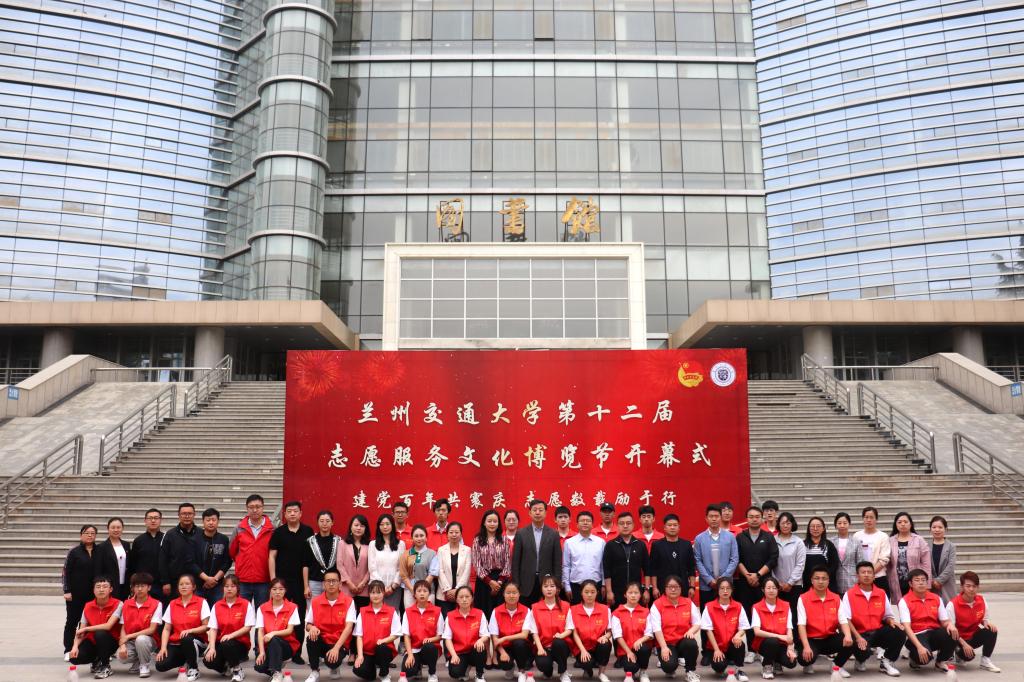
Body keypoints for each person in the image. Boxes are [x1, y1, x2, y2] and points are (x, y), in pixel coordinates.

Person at [836, 562, 904, 677]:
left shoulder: (881, 593)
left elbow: (887, 616)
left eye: (869, 572)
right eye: (863, 572)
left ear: (874, 576)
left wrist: (891, 621)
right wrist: (858, 637)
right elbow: (846, 619)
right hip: (859, 633)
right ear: (857, 576)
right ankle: (858, 660)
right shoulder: (849, 594)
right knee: (863, 652)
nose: (866, 575)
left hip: (877, 632)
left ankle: (886, 662)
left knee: (899, 632)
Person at [269, 500, 315, 664]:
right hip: (282, 582)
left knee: (299, 617)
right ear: (285, 514)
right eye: (289, 511)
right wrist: (273, 580)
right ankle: (279, 650)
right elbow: (272, 556)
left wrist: (306, 585)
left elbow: (308, 560)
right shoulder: (278, 532)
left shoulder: (308, 531)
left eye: (295, 511)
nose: (292, 513)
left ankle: (297, 653)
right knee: (281, 616)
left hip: (300, 582)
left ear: (300, 513)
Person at [694, 503, 739, 665]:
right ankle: (707, 652)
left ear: (721, 517)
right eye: (711, 516)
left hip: (725, 586)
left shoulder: (730, 537)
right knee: (707, 618)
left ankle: (730, 651)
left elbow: (734, 559)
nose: (714, 519)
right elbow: (698, 560)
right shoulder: (699, 538)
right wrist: (709, 579)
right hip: (707, 585)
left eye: (716, 516)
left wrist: (723, 580)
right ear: (706, 518)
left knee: (728, 618)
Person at [897, 568, 957, 671]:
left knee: (952, 632)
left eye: (923, 580)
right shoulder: (904, 601)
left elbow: (944, 621)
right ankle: (914, 658)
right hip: (917, 635)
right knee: (924, 660)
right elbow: (906, 627)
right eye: (917, 580)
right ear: (910, 584)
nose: (921, 583)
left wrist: (950, 624)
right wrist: (919, 647)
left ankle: (941, 661)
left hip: (933, 632)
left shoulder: (936, 598)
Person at [305, 567, 358, 682]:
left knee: (332, 662)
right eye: (328, 581)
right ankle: (314, 671)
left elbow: (349, 627)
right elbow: (308, 625)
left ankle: (334, 667)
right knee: (311, 638)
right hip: (323, 640)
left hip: (340, 642)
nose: (331, 584)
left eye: (334, 581)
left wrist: (336, 648)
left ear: (340, 584)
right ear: (323, 584)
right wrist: (312, 627)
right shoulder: (316, 601)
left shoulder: (349, 601)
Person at [795, 566, 849, 675]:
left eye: (824, 578)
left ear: (828, 581)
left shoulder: (835, 598)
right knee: (803, 659)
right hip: (811, 639)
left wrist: (848, 635)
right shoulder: (803, 598)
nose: (820, 581)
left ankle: (836, 665)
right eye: (817, 578)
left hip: (829, 638)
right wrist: (806, 646)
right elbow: (801, 624)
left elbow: (843, 620)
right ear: (812, 580)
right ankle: (808, 664)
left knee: (851, 641)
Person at [155, 574, 210, 680]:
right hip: (177, 642)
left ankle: (194, 668)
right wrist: (163, 648)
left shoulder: (201, 602)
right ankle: (185, 661)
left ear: (194, 587)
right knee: (160, 665)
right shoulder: (173, 603)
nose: (184, 586)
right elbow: (167, 629)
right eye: (181, 584)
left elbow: (206, 626)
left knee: (187, 639)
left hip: (196, 641)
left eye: (187, 584)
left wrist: (190, 631)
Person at [735, 507, 778, 639]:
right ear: (747, 519)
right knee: (747, 613)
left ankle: (764, 644)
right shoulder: (740, 537)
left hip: (764, 583)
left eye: (757, 517)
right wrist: (748, 576)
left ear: (762, 518)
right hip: (745, 583)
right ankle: (751, 647)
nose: (754, 519)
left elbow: (773, 558)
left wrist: (758, 575)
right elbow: (736, 558)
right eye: (751, 517)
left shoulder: (769, 537)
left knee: (764, 613)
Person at [203, 574, 255, 682]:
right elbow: (213, 629)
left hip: (240, 644)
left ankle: (237, 670)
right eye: (226, 586)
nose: (229, 589)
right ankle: (226, 667)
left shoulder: (245, 604)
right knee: (208, 661)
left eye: (232, 586)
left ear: (238, 588)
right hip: (222, 643)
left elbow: (247, 627)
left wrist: (231, 635)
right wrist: (212, 648)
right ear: (223, 588)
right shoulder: (217, 605)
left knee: (227, 643)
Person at [70, 577, 123, 679]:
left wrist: (86, 629)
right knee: (74, 657)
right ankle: (96, 660)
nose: (101, 589)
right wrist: (75, 646)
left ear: (111, 589)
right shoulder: (88, 606)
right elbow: (81, 631)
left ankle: (105, 666)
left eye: (105, 587)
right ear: (93, 590)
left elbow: (108, 626)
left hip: (111, 641)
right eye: (98, 587)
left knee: (100, 633)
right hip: (93, 641)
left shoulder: (118, 604)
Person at [512, 500, 563, 606]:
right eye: (534, 510)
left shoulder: (554, 534)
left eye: (540, 510)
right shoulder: (521, 534)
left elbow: (557, 562)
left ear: (546, 513)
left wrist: (557, 584)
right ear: (530, 513)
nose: (537, 512)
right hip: (525, 583)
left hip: (547, 582)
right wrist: (516, 584)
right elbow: (515, 562)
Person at [650, 575, 701, 681]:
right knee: (669, 666)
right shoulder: (657, 604)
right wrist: (663, 647)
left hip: (683, 641)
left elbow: (697, 622)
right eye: (670, 587)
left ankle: (690, 672)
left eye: (676, 587)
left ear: (681, 588)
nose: (673, 589)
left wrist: (691, 631)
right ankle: (671, 665)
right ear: (665, 588)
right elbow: (656, 629)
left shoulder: (688, 602)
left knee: (691, 643)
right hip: (666, 643)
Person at [948, 571, 1000, 673]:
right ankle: (957, 652)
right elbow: (951, 629)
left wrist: (987, 624)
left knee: (991, 630)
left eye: (974, 586)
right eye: (968, 586)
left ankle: (985, 660)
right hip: (957, 638)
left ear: (978, 587)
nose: (971, 589)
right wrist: (964, 645)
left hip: (972, 636)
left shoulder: (981, 600)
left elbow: (984, 619)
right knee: (968, 656)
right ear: (962, 587)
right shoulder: (952, 604)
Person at [229, 493, 275, 606]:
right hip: (243, 580)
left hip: (264, 579)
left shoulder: (272, 529)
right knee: (242, 612)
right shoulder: (239, 528)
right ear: (247, 508)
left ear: (263, 508)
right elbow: (232, 551)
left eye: (258, 507)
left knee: (262, 612)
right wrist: (242, 562)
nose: (255, 510)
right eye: (251, 507)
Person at [353, 580, 402, 682]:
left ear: (383, 593)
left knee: (381, 648)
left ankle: (384, 674)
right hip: (367, 652)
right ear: (369, 594)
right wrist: (360, 655)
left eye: (379, 592)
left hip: (384, 650)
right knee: (359, 670)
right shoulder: (363, 611)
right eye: (373, 592)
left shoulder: (391, 611)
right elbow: (359, 636)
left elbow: (396, 633)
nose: (376, 596)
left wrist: (384, 640)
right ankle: (371, 671)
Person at [254, 577, 302, 681]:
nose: (277, 592)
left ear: (285, 591)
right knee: (259, 667)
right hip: (269, 646)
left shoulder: (292, 607)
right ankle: (277, 665)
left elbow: (289, 630)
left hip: (287, 646)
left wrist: (273, 633)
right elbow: (260, 631)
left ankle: (277, 673)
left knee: (274, 639)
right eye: (274, 589)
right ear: (270, 591)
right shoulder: (262, 608)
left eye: (281, 589)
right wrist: (261, 652)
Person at [701, 577, 749, 680]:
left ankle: (738, 670)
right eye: (722, 588)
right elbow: (708, 630)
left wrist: (738, 635)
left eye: (728, 588)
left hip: (731, 645)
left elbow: (744, 626)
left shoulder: (738, 606)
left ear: (732, 590)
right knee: (719, 667)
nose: (725, 591)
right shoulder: (709, 607)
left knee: (740, 644)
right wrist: (716, 650)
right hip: (716, 647)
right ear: (717, 590)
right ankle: (721, 664)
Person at [750, 577, 796, 680]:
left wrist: (790, 646)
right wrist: (779, 636)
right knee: (773, 641)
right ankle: (767, 665)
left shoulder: (786, 605)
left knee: (791, 663)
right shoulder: (757, 607)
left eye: (774, 588)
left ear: (778, 590)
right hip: (764, 644)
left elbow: (789, 628)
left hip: (782, 643)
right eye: (768, 588)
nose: (771, 590)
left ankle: (777, 662)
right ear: (763, 590)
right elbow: (757, 632)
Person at [118, 572, 162, 679]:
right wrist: (122, 645)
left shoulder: (156, 604)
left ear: (149, 588)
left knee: (141, 639)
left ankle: (144, 665)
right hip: (131, 641)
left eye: (143, 586)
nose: (140, 589)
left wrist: (128, 636)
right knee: (121, 657)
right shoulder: (126, 603)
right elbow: (123, 626)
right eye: (137, 586)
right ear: (133, 588)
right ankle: (138, 661)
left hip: (149, 640)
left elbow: (152, 629)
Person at [530, 575, 573, 682]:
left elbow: (570, 628)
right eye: (545, 586)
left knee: (558, 642)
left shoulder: (566, 606)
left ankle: (563, 672)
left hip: (561, 645)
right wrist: (540, 648)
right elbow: (534, 632)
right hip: (544, 646)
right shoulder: (535, 607)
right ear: (541, 589)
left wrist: (561, 635)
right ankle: (548, 670)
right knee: (543, 664)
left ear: (557, 589)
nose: (549, 589)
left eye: (552, 586)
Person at [64, 524, 98, 658]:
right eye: (87, 533)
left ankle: (87, 648)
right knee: (72, 621)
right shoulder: (74, 552)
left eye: (92, 533)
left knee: (91, 621)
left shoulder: (99, 551)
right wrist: (67, 590)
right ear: (81, 535)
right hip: (75, 594)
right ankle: (68, 649)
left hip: (94, 594)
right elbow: (66, 572)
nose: (90, 535)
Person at [489, 582, 534, 682]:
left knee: (519, 643)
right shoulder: (496, 611)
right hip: (504, 646)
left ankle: (522, 671)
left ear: (519, 594)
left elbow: (524, 635)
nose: (511, 595)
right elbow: (495, 638)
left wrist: (505, 638)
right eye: (508, 593)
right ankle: (510, 668)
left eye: (514, 592)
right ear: (503, 594)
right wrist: (502, 652)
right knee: (505, 664)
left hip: (521, 646)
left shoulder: (526, 610)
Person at [443, 585, 489, 681]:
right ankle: (465, 668)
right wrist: (453, 655)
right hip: (459, 652)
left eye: (467, 596)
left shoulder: (480, 613)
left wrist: (481, 640)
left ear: (472, 598)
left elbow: (485, 634)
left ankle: (479, 674)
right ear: (456, 600)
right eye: (461, 597)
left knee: (480, 647)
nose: (464, 599)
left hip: (474, 650)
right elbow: (447, 638)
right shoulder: (450, 616)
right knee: (455, 673)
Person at [603, 512, 648, 608]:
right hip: (616, 592)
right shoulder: (610, 545)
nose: (625, 526)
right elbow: (607, 570)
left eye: (628, 523)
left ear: (633, 525)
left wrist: (647, 590)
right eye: (622, 523)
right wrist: (609, 591)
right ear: (617, 526)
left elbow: (647, 570)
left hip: (636, 592)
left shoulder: (640, 545)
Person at [472, 509, 512, 617]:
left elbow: (508, 562)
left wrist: (499, 583)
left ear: (498, 524)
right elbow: (476, 563)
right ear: (484, 523)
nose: (492, 524)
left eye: (495, 521)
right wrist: (489, 582)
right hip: (483, 581)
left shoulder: (504, 540)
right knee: (484, 612)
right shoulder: (477, 540)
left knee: (499, 612)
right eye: (489, 521)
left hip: (500, 580)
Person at [570, 580, 613, 682]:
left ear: (597, 593)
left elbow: (610, 630)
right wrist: (583, 650)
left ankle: (602, 673)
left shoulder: (605, 609)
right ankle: (587, 669)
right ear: (581, 593)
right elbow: (574, 633)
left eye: (592, 592)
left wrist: (605, 636)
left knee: (606, 644)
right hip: (582, 647)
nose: (589, 595)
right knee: (587, 663)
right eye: (586, 592)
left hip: (598, 645)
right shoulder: (573, 610)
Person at [610, 582, 653, 682]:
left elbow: (649, 633)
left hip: (641, 647)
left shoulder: (646, 612)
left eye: (636, 593)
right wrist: (629, 652)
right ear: (625, 595)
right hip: (625, 650)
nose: (633, 595)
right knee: (631, 666)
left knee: (644, 648)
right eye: (630, 593)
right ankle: (629, 674)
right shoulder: (617, 613)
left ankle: (643, 672)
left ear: (640, 595)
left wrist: (640, 640)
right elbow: (617, 635)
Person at [403, 579, 445, 682]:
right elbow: (406, 636)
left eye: (425, 591)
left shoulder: (437, 611)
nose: (422, 594)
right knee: (408, 671)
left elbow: (440, 635)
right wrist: (410, 655)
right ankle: (417, 669)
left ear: (429, 593)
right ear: (414, 594)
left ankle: (432, 673)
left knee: (429, 647)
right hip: (414, 649)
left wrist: (430, 639)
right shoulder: (408, 612)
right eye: (419, 591)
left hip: (431, 649)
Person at [648, 514, 696, 599]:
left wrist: (692, 587)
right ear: (664, 528)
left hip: (683, 588)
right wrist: (655, 588)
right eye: (669, 525)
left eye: (675, 525)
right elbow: (653, 569)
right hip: (662, 588)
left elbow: (691, 568)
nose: (672, 527)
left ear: (679, 527)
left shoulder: (686, 545)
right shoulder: (657, 545)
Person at [562, 511, 606, 605]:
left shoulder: (600, 542)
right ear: (577, 524)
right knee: (576, 612)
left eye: (588, 521)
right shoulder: (569, 543)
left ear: (592, 524)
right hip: (576, 587)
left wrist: (603, 584)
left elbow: (603, 566)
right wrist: (567, 587)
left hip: (596, 586)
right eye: (582, 520)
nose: (585, 523)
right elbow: (566, 566)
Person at [887, 512, 930, 605]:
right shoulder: (890, 541)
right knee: (900, 605)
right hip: (896, 581)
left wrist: (928, 583)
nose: (903, 524)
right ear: (895, 525)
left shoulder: (919, 540)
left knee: (916, 605)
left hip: (915, 580)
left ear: (910, 524)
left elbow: (926, 564)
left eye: (905, 522)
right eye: (899, 522)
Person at [159, 503, 200, 600]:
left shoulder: (201, 533)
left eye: (189, 513)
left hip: (197, 582)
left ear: (194, 515)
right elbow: (163, 559)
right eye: (184, 513)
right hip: (175, 583)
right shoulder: (170, 535)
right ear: (178, 515)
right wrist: (165, 582)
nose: (187, 516)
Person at [433, 522, 473, 616]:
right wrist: (448, 590)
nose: (454, 534)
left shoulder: (467, 550)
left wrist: (457, 590)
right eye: (451, 532)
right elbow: (440, 571)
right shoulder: (441, 550)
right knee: (445, 620)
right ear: (447, 534)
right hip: (444, 594)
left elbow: (467, 571)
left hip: (463, 593)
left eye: (456, 532)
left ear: (461, 534)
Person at [771, 513, 805, 620]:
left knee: (793, 615)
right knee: (777, 615)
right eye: (783, 523)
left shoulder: (798, 542)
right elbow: (769, 563)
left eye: (788, 523)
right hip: (775, 586)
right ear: (778, 524)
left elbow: (800, 564)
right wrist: (776, 582)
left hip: (794, 586)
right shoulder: (772, 540)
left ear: (792, 524)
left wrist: (790, 583)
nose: (785, 526)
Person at [370, 513, 406, 610]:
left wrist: (393, 586)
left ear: (392, 525)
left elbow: (401, 568)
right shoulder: (373, 544)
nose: (385, 527)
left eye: (387, 524)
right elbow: (372, 568)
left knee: (393, 613)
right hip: (376, 589)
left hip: (394, 588)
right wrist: (381, 587)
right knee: (377, 613)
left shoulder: (401, 544)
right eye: (382, 524)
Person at [196, 508, 232, 606]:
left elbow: (227, 561)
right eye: (208, 520)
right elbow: (191, 562)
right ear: (203, 521)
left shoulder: (223, 539)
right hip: (198, 584)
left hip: (217, 585)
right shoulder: (195, 539)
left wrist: (214, 579)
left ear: (218, 521)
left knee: (217, 611)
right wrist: (206, 578)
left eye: (213, 520)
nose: (211, 522)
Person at [305, 510, 343, 599]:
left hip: (333, 582)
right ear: (317, 523)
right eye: (321, 521)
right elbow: (305, 565)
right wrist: (306, 586)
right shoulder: (310, 541)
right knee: (314, 607)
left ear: (332, 523)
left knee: (332, 606)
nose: (324, 524)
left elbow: (341, 564)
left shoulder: (339, 541)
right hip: (314, 582)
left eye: (327, 521)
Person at [129, 510, 164, 603]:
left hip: (162, 585)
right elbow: (133, 564)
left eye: (156, 518)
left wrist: (167, 582)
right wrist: (133, 585)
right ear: (145, 521)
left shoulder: (166, 539)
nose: (153, 520)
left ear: (161, 520)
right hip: (143, 585)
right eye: (150, 518)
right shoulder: (138, 541)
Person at [853, 507, 889, 593]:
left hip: (879, 577)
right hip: (861, 578)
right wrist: (863, 574)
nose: (869, 520)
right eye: (866, 517)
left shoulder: (883, 536)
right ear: (863, 519)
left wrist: (870, 573)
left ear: (876, 519)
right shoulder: (856, 536)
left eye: (871, 517)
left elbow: (884, 559)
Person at [95, 517, 132, 601]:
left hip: (124, 586)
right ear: (108, 529)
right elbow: (98, 569)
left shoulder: (126, 545)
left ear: (122, 529)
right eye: (113, 527)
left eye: (118, 527)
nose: (116, 530)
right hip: (109, 586)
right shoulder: (101, 547)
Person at [340, 514, 372, 609]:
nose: (358, 528)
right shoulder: (342, 543)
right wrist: (349, 583)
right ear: (351, 527)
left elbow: (372, 566)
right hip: (347, 587)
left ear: (365, 529)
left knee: (362, 614)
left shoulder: (370, 545)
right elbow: (339, 565)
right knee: (347, 614)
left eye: (362, 526)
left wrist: (363, 583)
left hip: (364, 589)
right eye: (356, 525)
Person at [401, 525, 437, 608]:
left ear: (426, 537)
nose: (419, 538)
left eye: (421, 535)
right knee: (410, 614)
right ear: (412, 538)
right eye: (416, 536)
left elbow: (432, 573)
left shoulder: (432, 554)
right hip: (410, 591)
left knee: (428, 614)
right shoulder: (405, 554)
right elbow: (403, 575)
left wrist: (422, 590)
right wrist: (413, 590)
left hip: (428, 591)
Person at [802, 517, 838, 592]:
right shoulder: (802, 545)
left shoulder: (829, 545)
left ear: (823, 528)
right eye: (812, 526)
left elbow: (834, 565)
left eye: (818, 526)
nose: (815, 529)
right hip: (807, 584)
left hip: (825, 584)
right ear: (808, 528)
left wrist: (823, 579)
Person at [831, 513, 863, 596]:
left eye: (845, 523)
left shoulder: (856, 542)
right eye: (839, 523)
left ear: (849, 524)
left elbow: (860, 562)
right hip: (835, 580)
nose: (842, 525)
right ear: (836, 525)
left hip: (852, 580)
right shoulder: (830, 542)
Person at [929, 517, 957, 602]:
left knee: (948, 606)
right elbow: (925, 565)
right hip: (931, 584)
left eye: (940, 527)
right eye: (934, 527)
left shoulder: (951, 546)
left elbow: (951, 565)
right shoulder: (926, 546)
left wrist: (939, 580)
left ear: (946, 529)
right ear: (930, 529)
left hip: (947, 582)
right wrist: (933, 580)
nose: (937, 530)